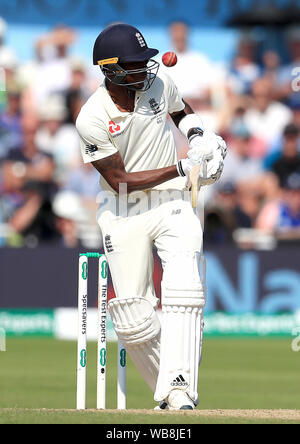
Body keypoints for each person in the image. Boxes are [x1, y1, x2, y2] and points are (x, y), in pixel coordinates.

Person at [76, 23, 227, 411]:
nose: (147, 68)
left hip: (172, 203)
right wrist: (182, 168)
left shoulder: (157, 84)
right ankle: (173, 387)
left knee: (185, 288)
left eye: (146, 60)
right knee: (131, 317)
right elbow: (120, 179)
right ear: (111, 69)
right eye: (136, 64)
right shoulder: (92, 117)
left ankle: (180, 392)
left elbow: (181, 109)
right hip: (124, 209)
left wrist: (197, 138)